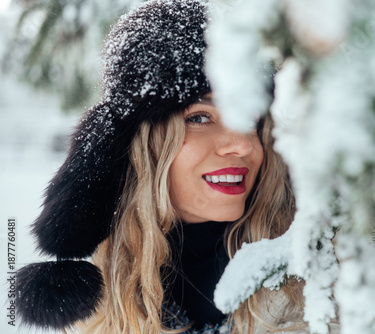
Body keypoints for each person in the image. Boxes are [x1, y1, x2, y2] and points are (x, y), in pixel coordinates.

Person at [16, 0, 304, 333]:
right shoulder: (98, 306)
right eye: (200, 117)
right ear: (144, 146)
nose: (243, 144)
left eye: (250, 120)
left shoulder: (324, 283)